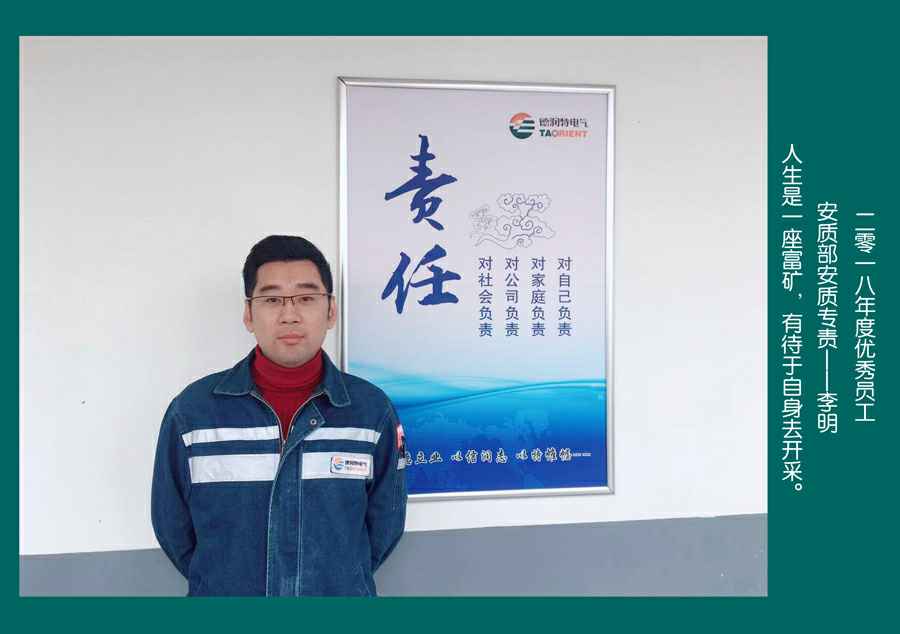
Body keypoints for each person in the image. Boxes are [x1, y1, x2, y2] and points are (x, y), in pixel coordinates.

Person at [151, 235, 407, 596]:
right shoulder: (193, 414)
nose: (289, 315)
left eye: (306, 298)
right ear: (248, 314)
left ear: (331, 311)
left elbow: (385, 526)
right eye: (272, 300)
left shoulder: (370, 412)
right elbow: (172, 527)